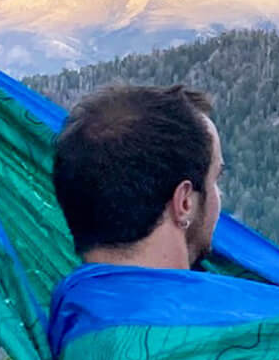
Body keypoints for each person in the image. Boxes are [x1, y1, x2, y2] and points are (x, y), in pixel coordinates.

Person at [52, 83, 223, 270]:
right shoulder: (242, 299)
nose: (219, 195)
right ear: (184, 202)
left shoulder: (67, 297)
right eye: (215, 178)